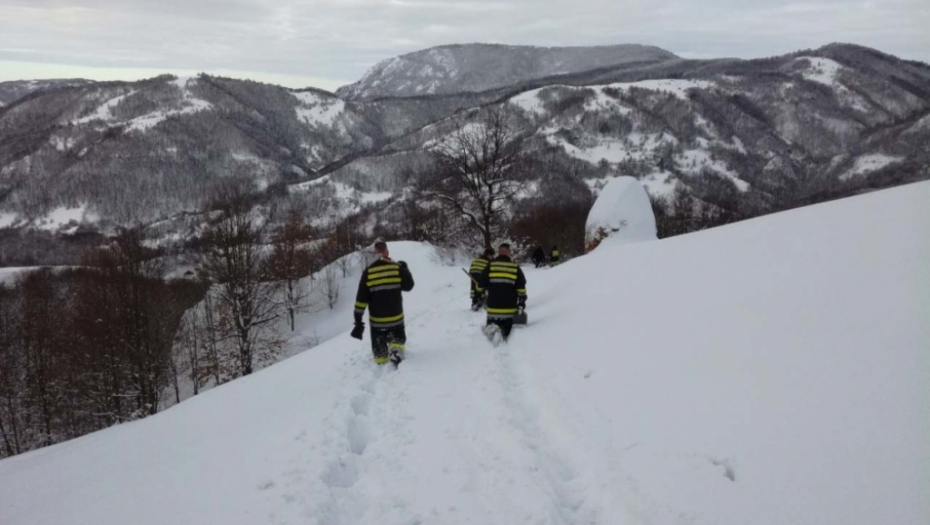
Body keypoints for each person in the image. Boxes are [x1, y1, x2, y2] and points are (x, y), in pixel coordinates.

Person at [351, 241, 415, 365]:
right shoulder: (396, 268)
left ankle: (381, 358)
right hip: (396, 319)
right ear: (387, 252)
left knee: (380, 357)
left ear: (375, 253)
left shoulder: (368, 272)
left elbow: (361, 300)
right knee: (397, 340)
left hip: (377, 323)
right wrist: (404, 269)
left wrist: (358, 321)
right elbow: (409, 286)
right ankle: (396, 350)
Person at [476, 243, 527, 344]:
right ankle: (505, 339)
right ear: (509, 253)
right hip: (509, 311)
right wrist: (522, 302)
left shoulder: (490, 265)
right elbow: (521, 289)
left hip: (492, 310)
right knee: (506, 332)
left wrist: (481, 290)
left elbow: (480, 285)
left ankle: (490, 340)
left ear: (498, 252)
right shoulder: (515, 267)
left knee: (491, 328)